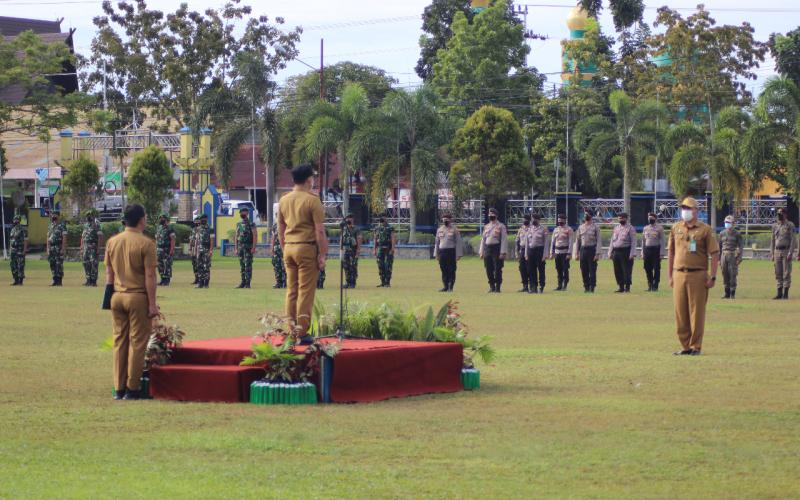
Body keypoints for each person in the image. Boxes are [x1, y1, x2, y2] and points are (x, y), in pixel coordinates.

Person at [104, 203, 160, 400]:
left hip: (117, 296)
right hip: (137, 297)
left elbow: (109, 273)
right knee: (137, 343)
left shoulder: (112, 242)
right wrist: (152, 304)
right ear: (142, 220)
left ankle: (118, 388)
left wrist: (108, 297)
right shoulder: (146, 244)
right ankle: (132, 388)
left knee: (119, 342)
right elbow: (150, 275)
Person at [278, 164, 327, 343]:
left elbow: (280, 227)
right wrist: (322, 255)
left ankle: (290, 329)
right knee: (305, 291)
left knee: (291, 290)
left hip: (289, 247)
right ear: (309, 180)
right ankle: (302, 331)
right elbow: (320, 231)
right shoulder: (312, 200)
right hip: (306, 247)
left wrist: (285, 247)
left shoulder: (284, 199)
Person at [668, 196, 719, 356]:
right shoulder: (676, 228)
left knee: (696, 312)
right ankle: (685, 346)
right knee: (680, 312)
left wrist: (713, 276)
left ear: (696, 211)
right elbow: (671, 252)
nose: (685, 211)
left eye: (689, 208)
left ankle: (696, 346)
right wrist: (670, 275)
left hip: (698, 274)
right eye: (683, 208)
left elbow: (715, 254)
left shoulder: (705, 229)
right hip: (679, 274)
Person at [479, 207, 508, 293]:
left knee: (498, 269)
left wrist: (503, 252)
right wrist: (481, 251)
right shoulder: (486, 227)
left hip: (497, 249)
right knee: (488, 269)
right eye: (489, 215)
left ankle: (498, 287)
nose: (490, 216)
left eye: (492, 215)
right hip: (488, 249)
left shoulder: (501, 226)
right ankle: (491, 286)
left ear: (496, 215)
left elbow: (503, 240)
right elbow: (483, 240)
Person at [771, 207, 797, 299]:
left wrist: (791, 252)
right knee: (778, 272)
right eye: (778, 214)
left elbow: (793, 239)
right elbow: (773, 240)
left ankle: (785, 294)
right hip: (777, 251)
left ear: (785, 214)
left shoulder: (790, 225)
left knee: (786, 272)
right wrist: (772, 253)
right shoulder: (775, 226)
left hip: (786, 251)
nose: (779, 216)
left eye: (781, 214)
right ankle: (779, 293)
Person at [608, 212, 637, 293]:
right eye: (619, 218)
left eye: (622, 218)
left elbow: (633, 242)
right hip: (616, 251)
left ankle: (627, 288)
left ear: (626, 218)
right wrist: (610, 252)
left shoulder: (630, 228)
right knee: (617, 270)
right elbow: (612, 241)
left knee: (626, 270)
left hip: (626, 251)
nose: (620, 219)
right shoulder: (616, 228)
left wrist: (632, 253)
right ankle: (621, 287)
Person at [434, 213, 462, 292]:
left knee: (451, 269)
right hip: (442, 252)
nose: (445, 220)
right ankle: (445, 286)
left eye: (447, 219)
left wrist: (458, 254)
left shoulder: (455, 230)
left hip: (451, 251)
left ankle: (450, 286)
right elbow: (437, 242)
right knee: (443, 269)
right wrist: (436, 254)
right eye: (444, 219)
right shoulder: (440, 230)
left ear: (450, 220)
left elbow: (458, 242)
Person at [574, 211, 601, 293]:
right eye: (584, 214)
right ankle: (586, 286)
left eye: (587, 215)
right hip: (583, 250)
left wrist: (597, 253)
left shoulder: (595, 227)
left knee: (592, 270)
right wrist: (576, 253)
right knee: (583, 269)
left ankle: (592, 287)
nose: (585, 216)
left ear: (591, 216)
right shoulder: (580, 227)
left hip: (592, 250)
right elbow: (577, 240)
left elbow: (599, 241)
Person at [718, 215, 744, 299]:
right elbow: (719, 247)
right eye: (726, 222)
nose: (727, 224)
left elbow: (740, 246)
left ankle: (732, 293)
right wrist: (719, 259)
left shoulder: (737, 234)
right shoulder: (722, 233)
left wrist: (740, 257)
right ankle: (726, 293)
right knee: (724, 274)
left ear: (733, 224)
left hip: (732, 255)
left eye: (728, 222)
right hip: (723, 255)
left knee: (732, 274)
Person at [235, 207, 257, 289]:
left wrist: (253, 247)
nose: (242, 214)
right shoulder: (239, 224)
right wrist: (236, 248)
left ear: (247, 213)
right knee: (242, 265)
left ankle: (248, 283)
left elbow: (255, 235)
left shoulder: (251, 224)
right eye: (241, 213)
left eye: (244, 212)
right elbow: (237, 236)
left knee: (248, 265)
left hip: (248, 247)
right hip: (241, 247)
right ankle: (242, 282)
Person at [642, 212, 665, 292]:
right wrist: (643, 252)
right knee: (647, 268)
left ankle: (655, 285)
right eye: (649, 218)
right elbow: (643, 241)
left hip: (656, 250)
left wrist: (662, 253)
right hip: (647, 250)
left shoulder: (659, 228)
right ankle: (650, 284)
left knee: (656, 268)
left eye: (651, 218)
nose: (650, 219)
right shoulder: (645, 228)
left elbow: (662, 241)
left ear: (655, 219)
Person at [79, 210, 104, 287]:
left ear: (93, 216)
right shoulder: (86, 225)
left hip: (93, 247)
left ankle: (93, 281)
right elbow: (83, 237)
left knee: (94, 264)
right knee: (86, 263)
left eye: (89, 216)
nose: (88, 217)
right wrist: (81, 247)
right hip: (86, 247)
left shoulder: (97, 225)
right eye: (87, 216)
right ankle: (88, 280)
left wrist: (98, 248)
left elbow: (100, 237)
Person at [549, 214, 572, 291]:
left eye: (561, 220)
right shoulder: (556, 230)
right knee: (558, 269)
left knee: (565, 269)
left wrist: (569, 253)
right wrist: (551, 252)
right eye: (559, 220)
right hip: (557, 252)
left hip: (565, 252)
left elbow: (571, 242)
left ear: (565, 220)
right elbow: (552, 241)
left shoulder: (568, 229)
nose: (560, 222)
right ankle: (559, 285)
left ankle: (565, 285)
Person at [527, 213, 549, 293]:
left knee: (541, 269)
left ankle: (541, 286)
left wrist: (545, 254)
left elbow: (546, 242)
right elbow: (527, 242)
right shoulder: (529, 229)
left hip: (540, 251)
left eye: (534, 219)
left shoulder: (543, 229)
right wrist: (526, 253)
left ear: (538, 220)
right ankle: (533, 287)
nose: (532, 221)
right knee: (531, 270)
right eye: (532, 219)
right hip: (531, 250)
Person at [372, 215, 396, 287]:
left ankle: (387, 282)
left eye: (384, 218)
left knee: (388, 265)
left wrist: (393, 248)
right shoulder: (377, 228)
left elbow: (393, 238)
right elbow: (375, 238)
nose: (383, 219)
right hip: (380, 248)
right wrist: (374, 249)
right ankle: (382, 282)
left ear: (386, 219)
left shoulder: (390, 228)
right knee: (380, 264)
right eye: (381, 218)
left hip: (388, 248)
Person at [46, 210, 67, 286]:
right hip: (51, 247)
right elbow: (48, 238)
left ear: (58, 216)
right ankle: (54, 280)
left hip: (58, 247)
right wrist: (47, 249)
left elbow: (64, 238)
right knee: (52, 264)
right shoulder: (50, 226)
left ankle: (59, 281)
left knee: (59, 264)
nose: (53, 216)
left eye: (55, 215)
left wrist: (63, 248)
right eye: (52, 215)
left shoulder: (62, 226)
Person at [342, 213, 362, 289]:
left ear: (353, 219)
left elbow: (359, 239)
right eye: (347, 218)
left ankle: (353, 282)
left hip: (353, 251)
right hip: (346, 250)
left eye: (350, 217)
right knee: (346, 266)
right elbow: (342, 239)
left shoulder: (356, 229)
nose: (348, 219)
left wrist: (358, 251)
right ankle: (348, 282)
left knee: (353, 266)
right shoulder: (344, 229)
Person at [155, 213, 176, 286]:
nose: (161, 220)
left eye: (162, 218)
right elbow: (157, 238)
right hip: (159, 249)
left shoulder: (170, 228)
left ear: (166, 219)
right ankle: (162, 279)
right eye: (160, 218)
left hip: (166, 249)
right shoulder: (159, 227)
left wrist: (172, 250)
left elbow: (172, 240)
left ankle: (167, 280)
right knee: (160, 265)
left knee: (167, 265)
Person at [194, 213, 214, 288]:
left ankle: (206, 283)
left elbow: (212, 240)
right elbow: (197, 240)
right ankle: (200, 283)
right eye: (201, 219)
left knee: (206, 266)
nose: (202, 220)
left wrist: (211, 250)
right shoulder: (198, 229)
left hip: (207, 249)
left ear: (206, 219)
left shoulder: (210, 229)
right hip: (199, 249)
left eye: (204, 219)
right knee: (199, 266)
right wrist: (196, 250)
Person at [9, 215, 28, 286]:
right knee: (13, 265)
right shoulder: (12, 229)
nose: (15, 221)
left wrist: (24, 250)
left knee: (20, 265)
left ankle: (20, 281)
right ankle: (15, 280)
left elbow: (26, 240)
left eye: (16, 220)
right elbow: (11, 240)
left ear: (19, 220)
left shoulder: (23, 229)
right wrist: (10, 249)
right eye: (14, 220)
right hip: (13, 250)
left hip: (20, 249)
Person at [515, 215, 532, 292]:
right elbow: (517, 241)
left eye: (526, 219)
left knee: (530, 268)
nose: (524, 221)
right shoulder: (521, 229)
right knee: (522, 268)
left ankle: (531, 285)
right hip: (522, 250)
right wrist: (517, 252)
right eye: (524, 219)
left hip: (530, 250)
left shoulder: (532, 229)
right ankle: (525, 286)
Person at [271, 223, 286, 288]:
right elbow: (274, 237)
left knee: (285, 267)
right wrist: (272, 249)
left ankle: (285, 283)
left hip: (286, 248)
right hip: (277, 248)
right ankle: (278, 282)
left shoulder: (289, 223)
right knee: (277, 266)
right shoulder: (275, 225)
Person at [189, 215, 200, 285]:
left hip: (198, 248)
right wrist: (190, 248)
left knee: (199, 263)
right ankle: (196, 278)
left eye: (197, 221)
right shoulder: (193, 230)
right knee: (194, 264)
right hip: (193, 248)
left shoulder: (201, 229)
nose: (196, 222)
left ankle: (200, 278)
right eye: (195, 221)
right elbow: (191, 239)